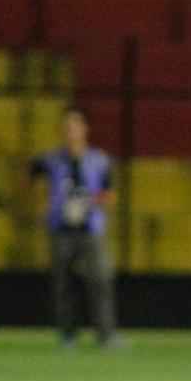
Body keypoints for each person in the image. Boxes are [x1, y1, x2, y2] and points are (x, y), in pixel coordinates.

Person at [30, 106, 119, 348]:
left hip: (91, 229)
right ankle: (67, 336)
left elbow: (110, 195)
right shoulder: (50, 160)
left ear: (85, 129)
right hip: (61, 229)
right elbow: (31, 179)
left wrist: (91, 203)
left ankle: (106, 335)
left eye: (76, 126)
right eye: (67, 127)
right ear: (62, 131)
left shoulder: (99, 160)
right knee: (64, 284)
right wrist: (42, 207)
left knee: (100, 281)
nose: (72, 131)